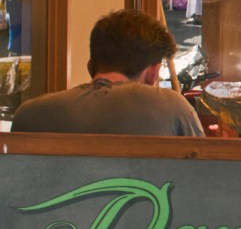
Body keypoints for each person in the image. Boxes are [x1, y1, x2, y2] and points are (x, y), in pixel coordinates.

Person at [13, 9, 203, 136]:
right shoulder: (173, 108)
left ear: (90, 67)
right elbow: (203, 181)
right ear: (152, 74)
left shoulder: (28, 115)